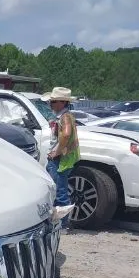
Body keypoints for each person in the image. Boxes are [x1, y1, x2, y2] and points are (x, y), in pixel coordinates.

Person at [43, 86, 80, 230]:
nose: (51, 104)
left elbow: (65, 134)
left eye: (53, 102)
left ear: (62, 102)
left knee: (59, 192)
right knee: (59, 189)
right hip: (63, 159)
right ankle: (61, 222)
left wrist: (57, 151)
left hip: (60, 160)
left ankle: (63, 224)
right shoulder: (66, 116)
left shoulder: (64, 117)